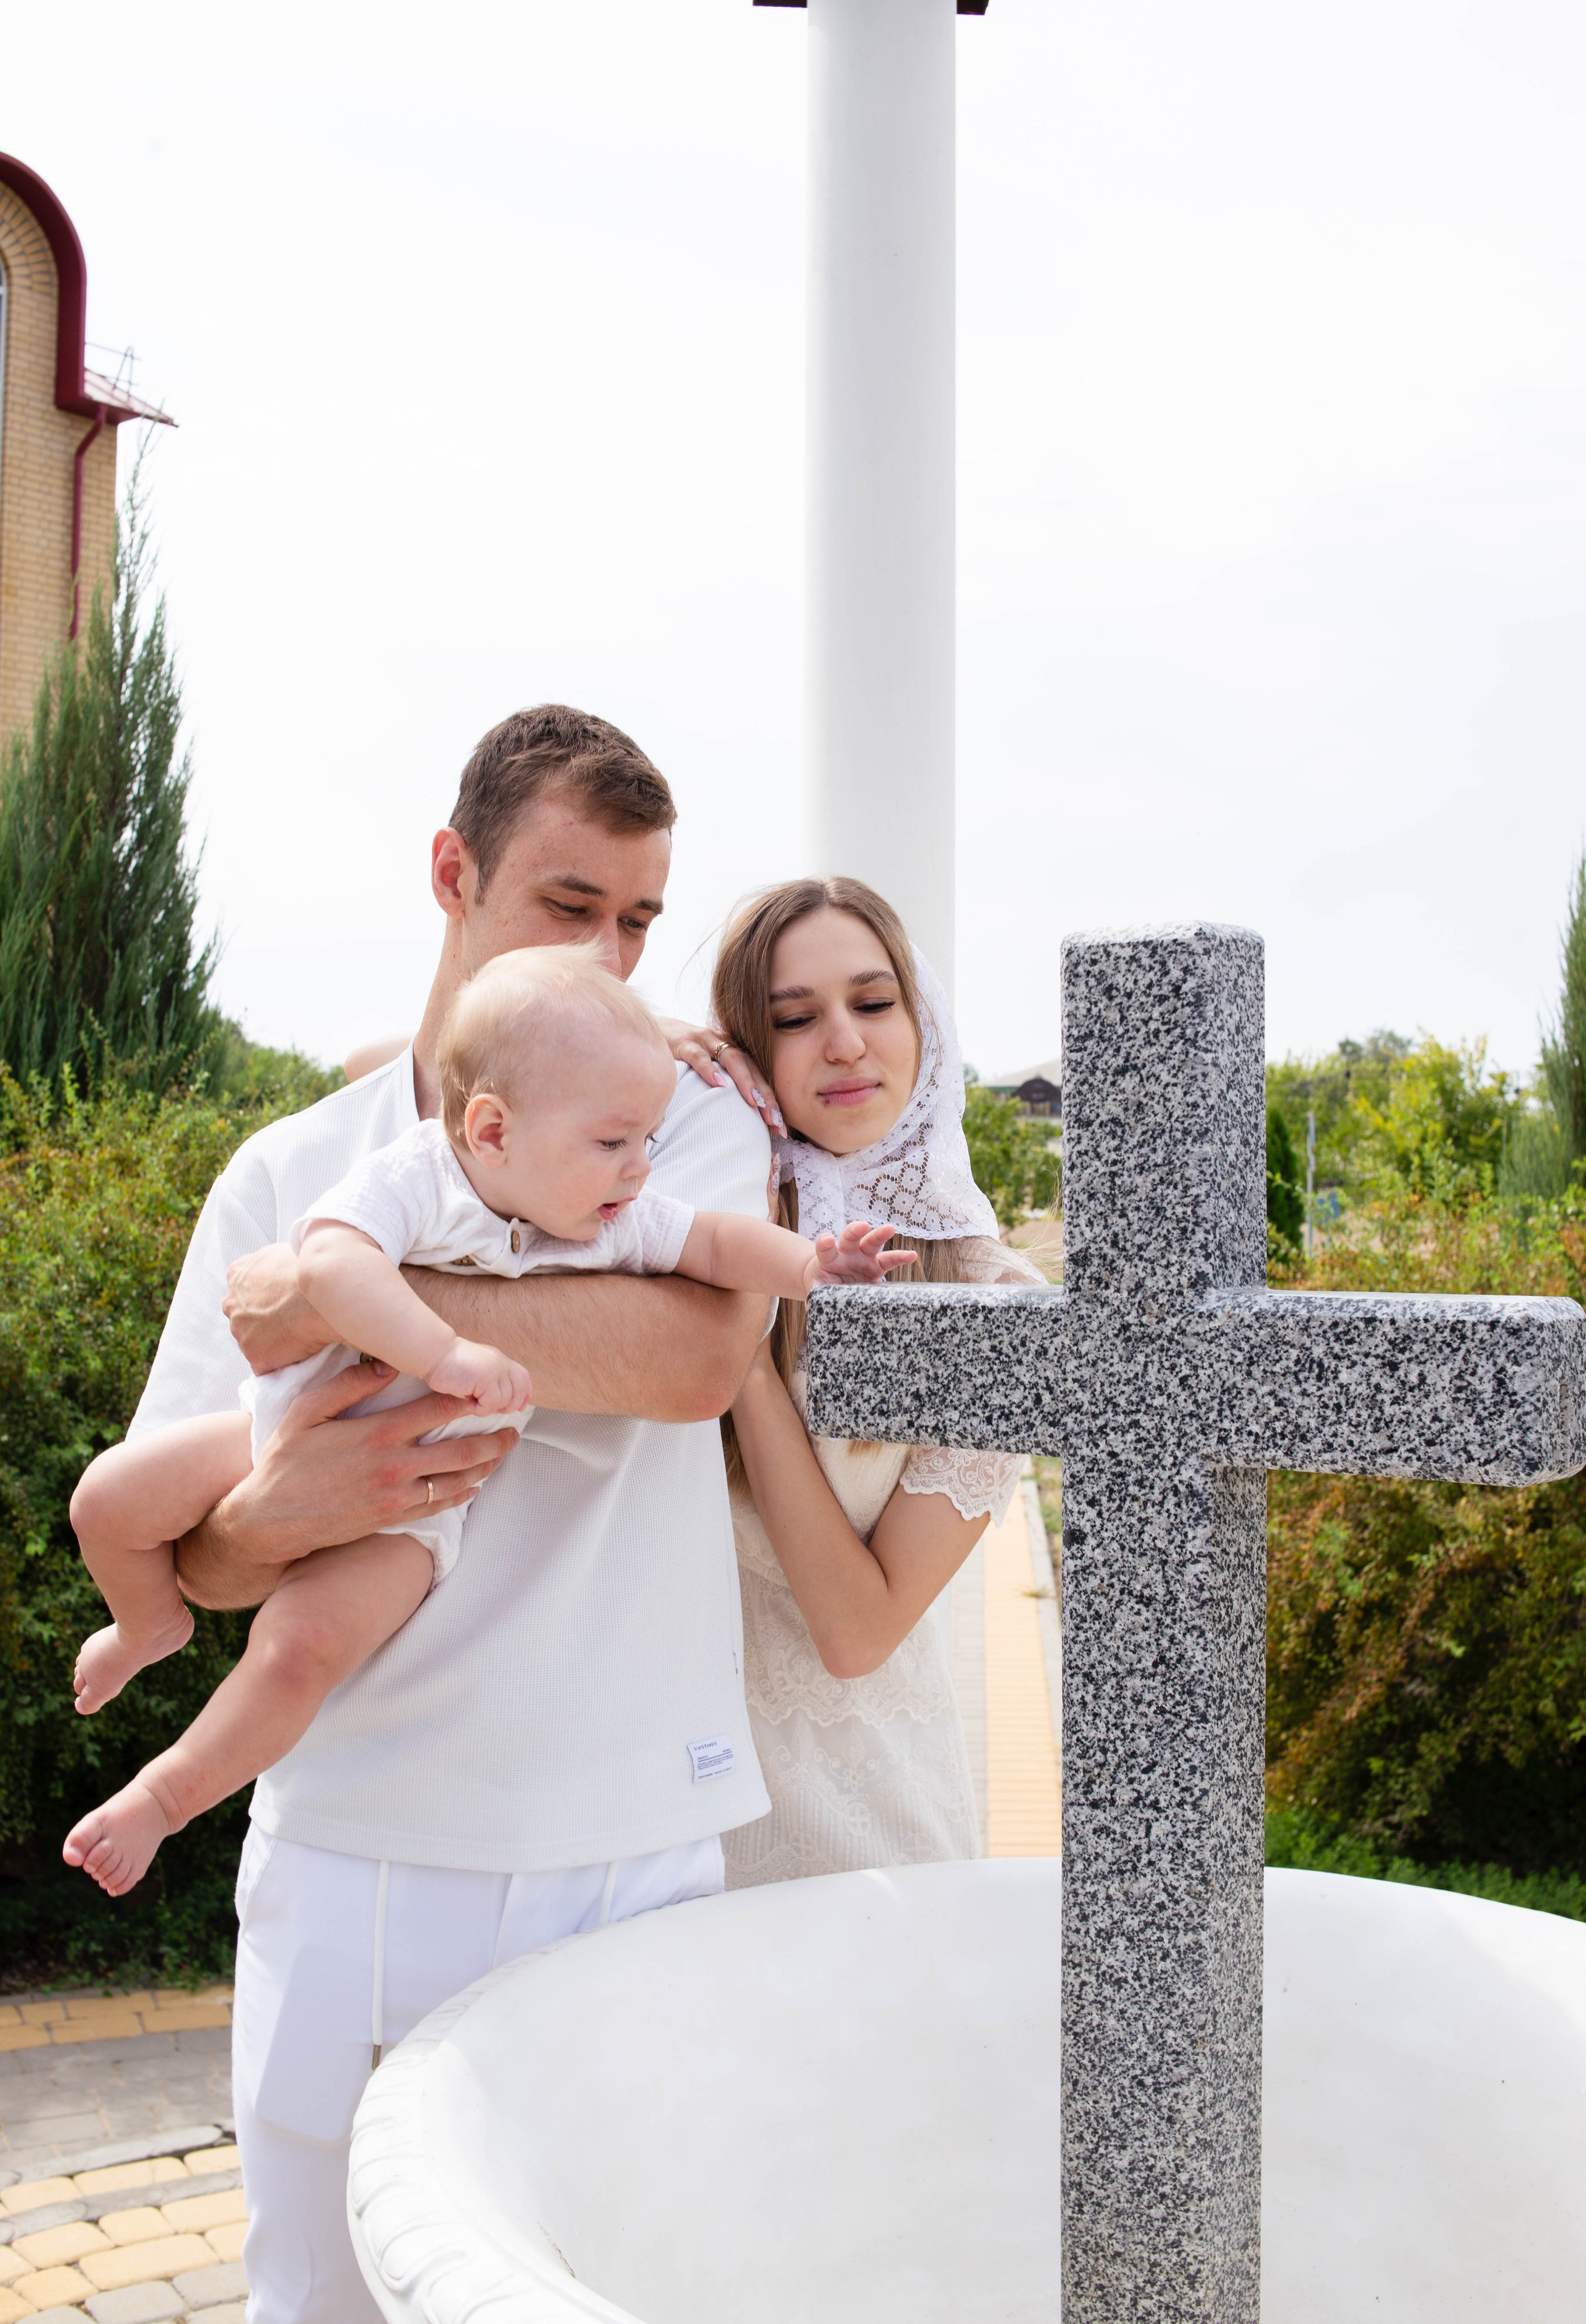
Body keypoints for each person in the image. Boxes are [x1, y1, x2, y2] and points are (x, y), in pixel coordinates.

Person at [125, 704, 790, 2324]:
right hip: (363, 1848)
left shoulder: (679, 1116)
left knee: (630, 2281)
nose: (613, 955)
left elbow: (696, 1356)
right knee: (326, 2300)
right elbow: (199, 1547)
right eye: (571, 907)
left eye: (640, 919)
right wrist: (282, 1509)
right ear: (453, 872)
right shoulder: (288, 1169)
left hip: (634, 1840)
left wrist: (348, 1299)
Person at [65, 945, 911, 1899]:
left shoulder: (606, 1216)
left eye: (647, 1141)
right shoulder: (419, 1173)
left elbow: (712, 1242)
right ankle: (145, 1627)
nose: (640, 1169)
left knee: (300, 1651)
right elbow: (331, 1266)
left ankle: (165, 1797)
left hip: (418, 1507)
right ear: (493, 1129)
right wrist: (445, 1356)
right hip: (284, 1424)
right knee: (105, 1498)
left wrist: (811, 1265)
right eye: (614, 1141)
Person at [706, 877, 1045, 1887]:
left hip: (856, 1834)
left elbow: (857, 1634)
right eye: (794, 1018)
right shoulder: (671, 1226)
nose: (844, 1042)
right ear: (748, 1057)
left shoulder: (990, 1305)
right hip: (646, 1821)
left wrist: (741, 1358)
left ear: (923, 1020)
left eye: (873, 1001)